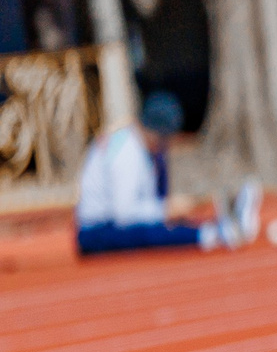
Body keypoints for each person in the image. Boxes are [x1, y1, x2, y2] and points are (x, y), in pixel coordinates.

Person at [74, 91, 263, 256]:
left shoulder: (137, 145)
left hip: (112, 222)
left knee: (166, 222)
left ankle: (220, 226)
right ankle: (214, 234)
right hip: (97, 232)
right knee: (150, 232)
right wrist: (164, 210)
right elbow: (124, 214)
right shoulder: (127, 152)